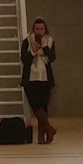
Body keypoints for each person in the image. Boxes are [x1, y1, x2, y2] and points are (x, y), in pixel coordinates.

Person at [20, 16, 57, 145]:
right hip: (30, 78)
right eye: (37, 29)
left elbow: (52, 58)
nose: (39, 31)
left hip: (45, 78)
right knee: (35, 106)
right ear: (33, 29)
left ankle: (42, 137)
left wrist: (45, 47)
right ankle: (49, 129)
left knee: (43, 106)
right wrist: (33, 51)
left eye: (41, 29)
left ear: (45, 29)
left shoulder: (50, 41)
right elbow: (24, 59)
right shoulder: (27, 41)